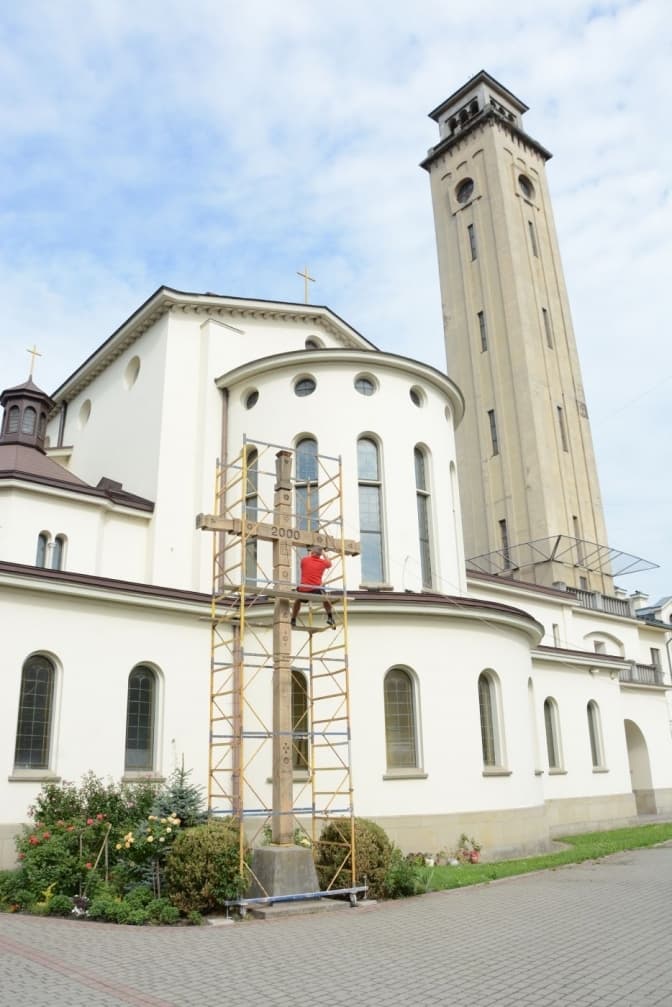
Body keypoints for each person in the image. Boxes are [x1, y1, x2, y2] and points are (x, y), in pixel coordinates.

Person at [290, 545, 335, 628]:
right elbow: (330, 564)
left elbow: (308, 561)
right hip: (316, 590)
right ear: (320, 554)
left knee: (298, 600)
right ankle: (330, 617)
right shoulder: (323, 562)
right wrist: (324, 553)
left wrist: (310, 551)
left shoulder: (304, 560)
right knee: (325, 598)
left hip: (303, 589)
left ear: (312, 552)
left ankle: (293, 619)